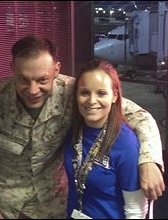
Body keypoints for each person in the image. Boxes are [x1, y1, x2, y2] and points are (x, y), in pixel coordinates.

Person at [0, 35, 164, 219]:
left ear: (56, 70)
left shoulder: (75, 92)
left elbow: (139, 116)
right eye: (23, 80)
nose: (33, 89)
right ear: (12, 69)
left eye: (42, 80)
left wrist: (148, 160)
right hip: (4, 205)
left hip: (54, 205)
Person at [63, 60, 149, 219]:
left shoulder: (125, 143)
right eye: (84, 93)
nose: (91, 100)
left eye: (101, 93)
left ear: (114, 96)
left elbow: (135, 210)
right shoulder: (73, 131)